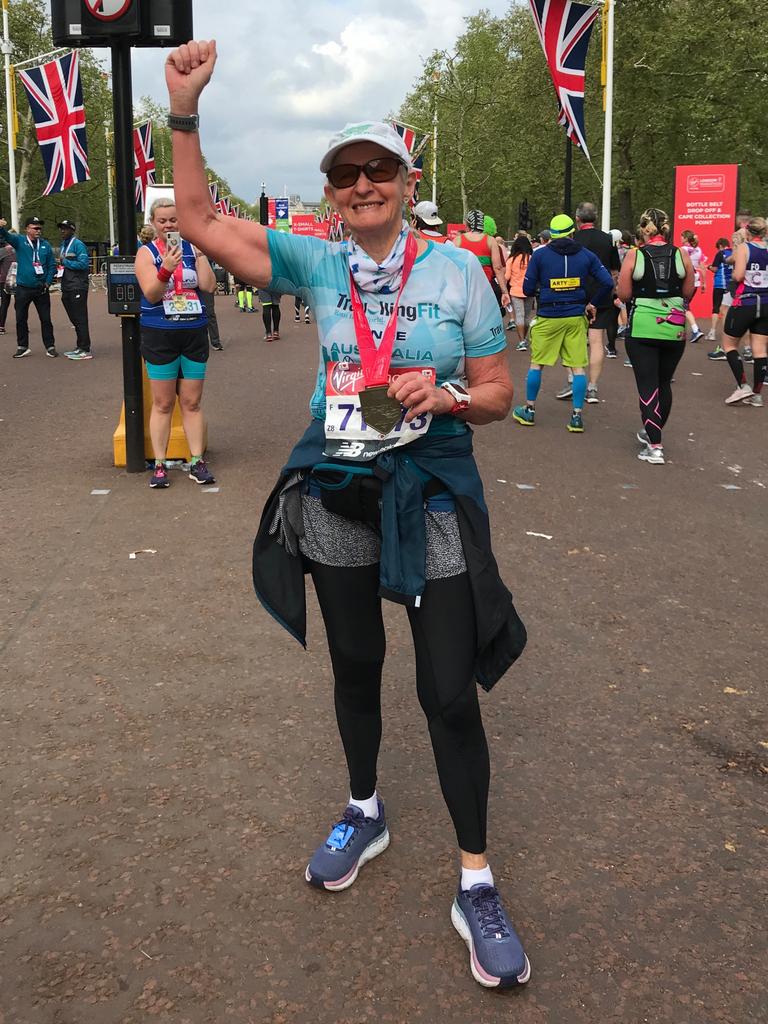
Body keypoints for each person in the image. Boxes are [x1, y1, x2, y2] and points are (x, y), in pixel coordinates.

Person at [167, 40, 531, 990]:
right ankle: (364, 808)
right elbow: (198, 218)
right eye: (345, 174)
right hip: (341, 485)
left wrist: (446, 395)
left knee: (448, 689)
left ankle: (476, 882)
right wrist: (184, 111)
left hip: (431, 487)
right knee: (356, 663)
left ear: (406, 180)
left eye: (378, 170)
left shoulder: (457, 272)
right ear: (331, 192)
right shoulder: (315, 263)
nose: (362, 184)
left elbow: (500, 391)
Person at [135, 196, 217, 488]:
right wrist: (166, 268)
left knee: (192, 402)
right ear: (154, 223)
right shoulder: (146, 253)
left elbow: (208, 286)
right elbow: (152, 293)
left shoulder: (192, 250)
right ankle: (160, 464)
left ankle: (197, 461)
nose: (169, 224)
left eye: (174, 219)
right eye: (163, 220)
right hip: (160, 333)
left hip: (193, 331)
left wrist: (202, 253)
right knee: (163, 402)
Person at [512, 214, 613, 433]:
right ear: (571, 232)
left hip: (549, 315)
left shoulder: (540, 256)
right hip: (576, 316)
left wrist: (544, 288)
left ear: (551, 234)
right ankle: (576, 417)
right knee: (577, 367)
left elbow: (528, 289)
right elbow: (607, 282)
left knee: (537, 363)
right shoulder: (587, 256)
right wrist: (591, 303)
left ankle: (529, 410)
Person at [617, 208, 695, 465]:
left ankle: (655, 446)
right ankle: (653, 432)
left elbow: (625, 294)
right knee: (664, 382)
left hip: (642, 327)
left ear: (643, 229)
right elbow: (688, 289)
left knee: (647, 384)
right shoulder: (680, 254)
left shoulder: (634, 255)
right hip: (674, 326)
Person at [570, 201, 620, 401]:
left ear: (577, 218)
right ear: (596, 218)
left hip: (577, 294)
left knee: (576, 340)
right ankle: (592, 387)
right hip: (602, 294)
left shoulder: (573, 240)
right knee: (597, 341)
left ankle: (575, 381)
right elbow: (615, 270)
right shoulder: (607, 240)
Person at [720, 216, 768, 407]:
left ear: (747, 232)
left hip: (745, 301)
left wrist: (733, 270)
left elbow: (739, 275)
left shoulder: (744, 248)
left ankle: (743, 386)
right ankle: (757, 395)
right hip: (765, 303)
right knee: (760, 349)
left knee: (729, 345)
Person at [0, 216, 57, 358]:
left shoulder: (45, 245)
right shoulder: (19, 241)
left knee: (46, 319)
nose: (38, 230)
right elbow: (6, 235)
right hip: (23, 288)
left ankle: (50, 346)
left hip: (41, 288)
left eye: (40, 228)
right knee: (20, 318)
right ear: (27, 229)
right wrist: (1, 227)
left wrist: (48, 282)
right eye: (35, 228)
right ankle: (22, 346)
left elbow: (51, 265)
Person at [454, 210, 510, 312]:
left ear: (468, 223)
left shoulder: (458, 240)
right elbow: (498, 268)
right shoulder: (490, 240)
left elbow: (453, 267)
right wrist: (504, 292)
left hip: (464, 289)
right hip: (485, 288)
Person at [56, 219, 93, 361]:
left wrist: (65, 262)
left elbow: (84, 264)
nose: (62, 231)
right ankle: (80, 346)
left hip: (78, 286)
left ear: (72, 230)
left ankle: (85, 349)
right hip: (67, 286)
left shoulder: (78, 245)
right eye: (61, 228)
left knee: (80, 318)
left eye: (65, 228)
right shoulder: (63, 245)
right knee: (74, 317)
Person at [505, 235, 534, 351]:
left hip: (516, 290)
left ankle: (521, 341)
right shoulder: (531, 258)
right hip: (529, 290)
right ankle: (525, 338)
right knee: (527, 316)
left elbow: (506, 276)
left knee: (519, 315)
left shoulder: (511, 259)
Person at [705, 237, 733, 356]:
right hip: (731, 285)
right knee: (729, 310)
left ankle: (712, 332)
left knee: (716, 308)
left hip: (719, 284)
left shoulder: (720, 253)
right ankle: (730, 333)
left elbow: (715, 268)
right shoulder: (734, 253)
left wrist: (708, 267)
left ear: (720, 245)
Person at [679, 230, 706, 342]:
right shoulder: (699, 250)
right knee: (683, 306)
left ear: (685, 238)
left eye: (681, 237)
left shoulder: (682, 250)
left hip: (685, 280)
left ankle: (695, 330)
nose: (680, 239)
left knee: (684, 307)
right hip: (696, 280)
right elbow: (703, 267)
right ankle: (682, 332)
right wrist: (704, 283)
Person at [0, 242, 14, 335]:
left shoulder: (2, 251)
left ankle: (1, 326)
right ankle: (22, 326)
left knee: (5, 303)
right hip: (19, 280)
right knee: (21, 305)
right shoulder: (20, 250)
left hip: (4, 280)